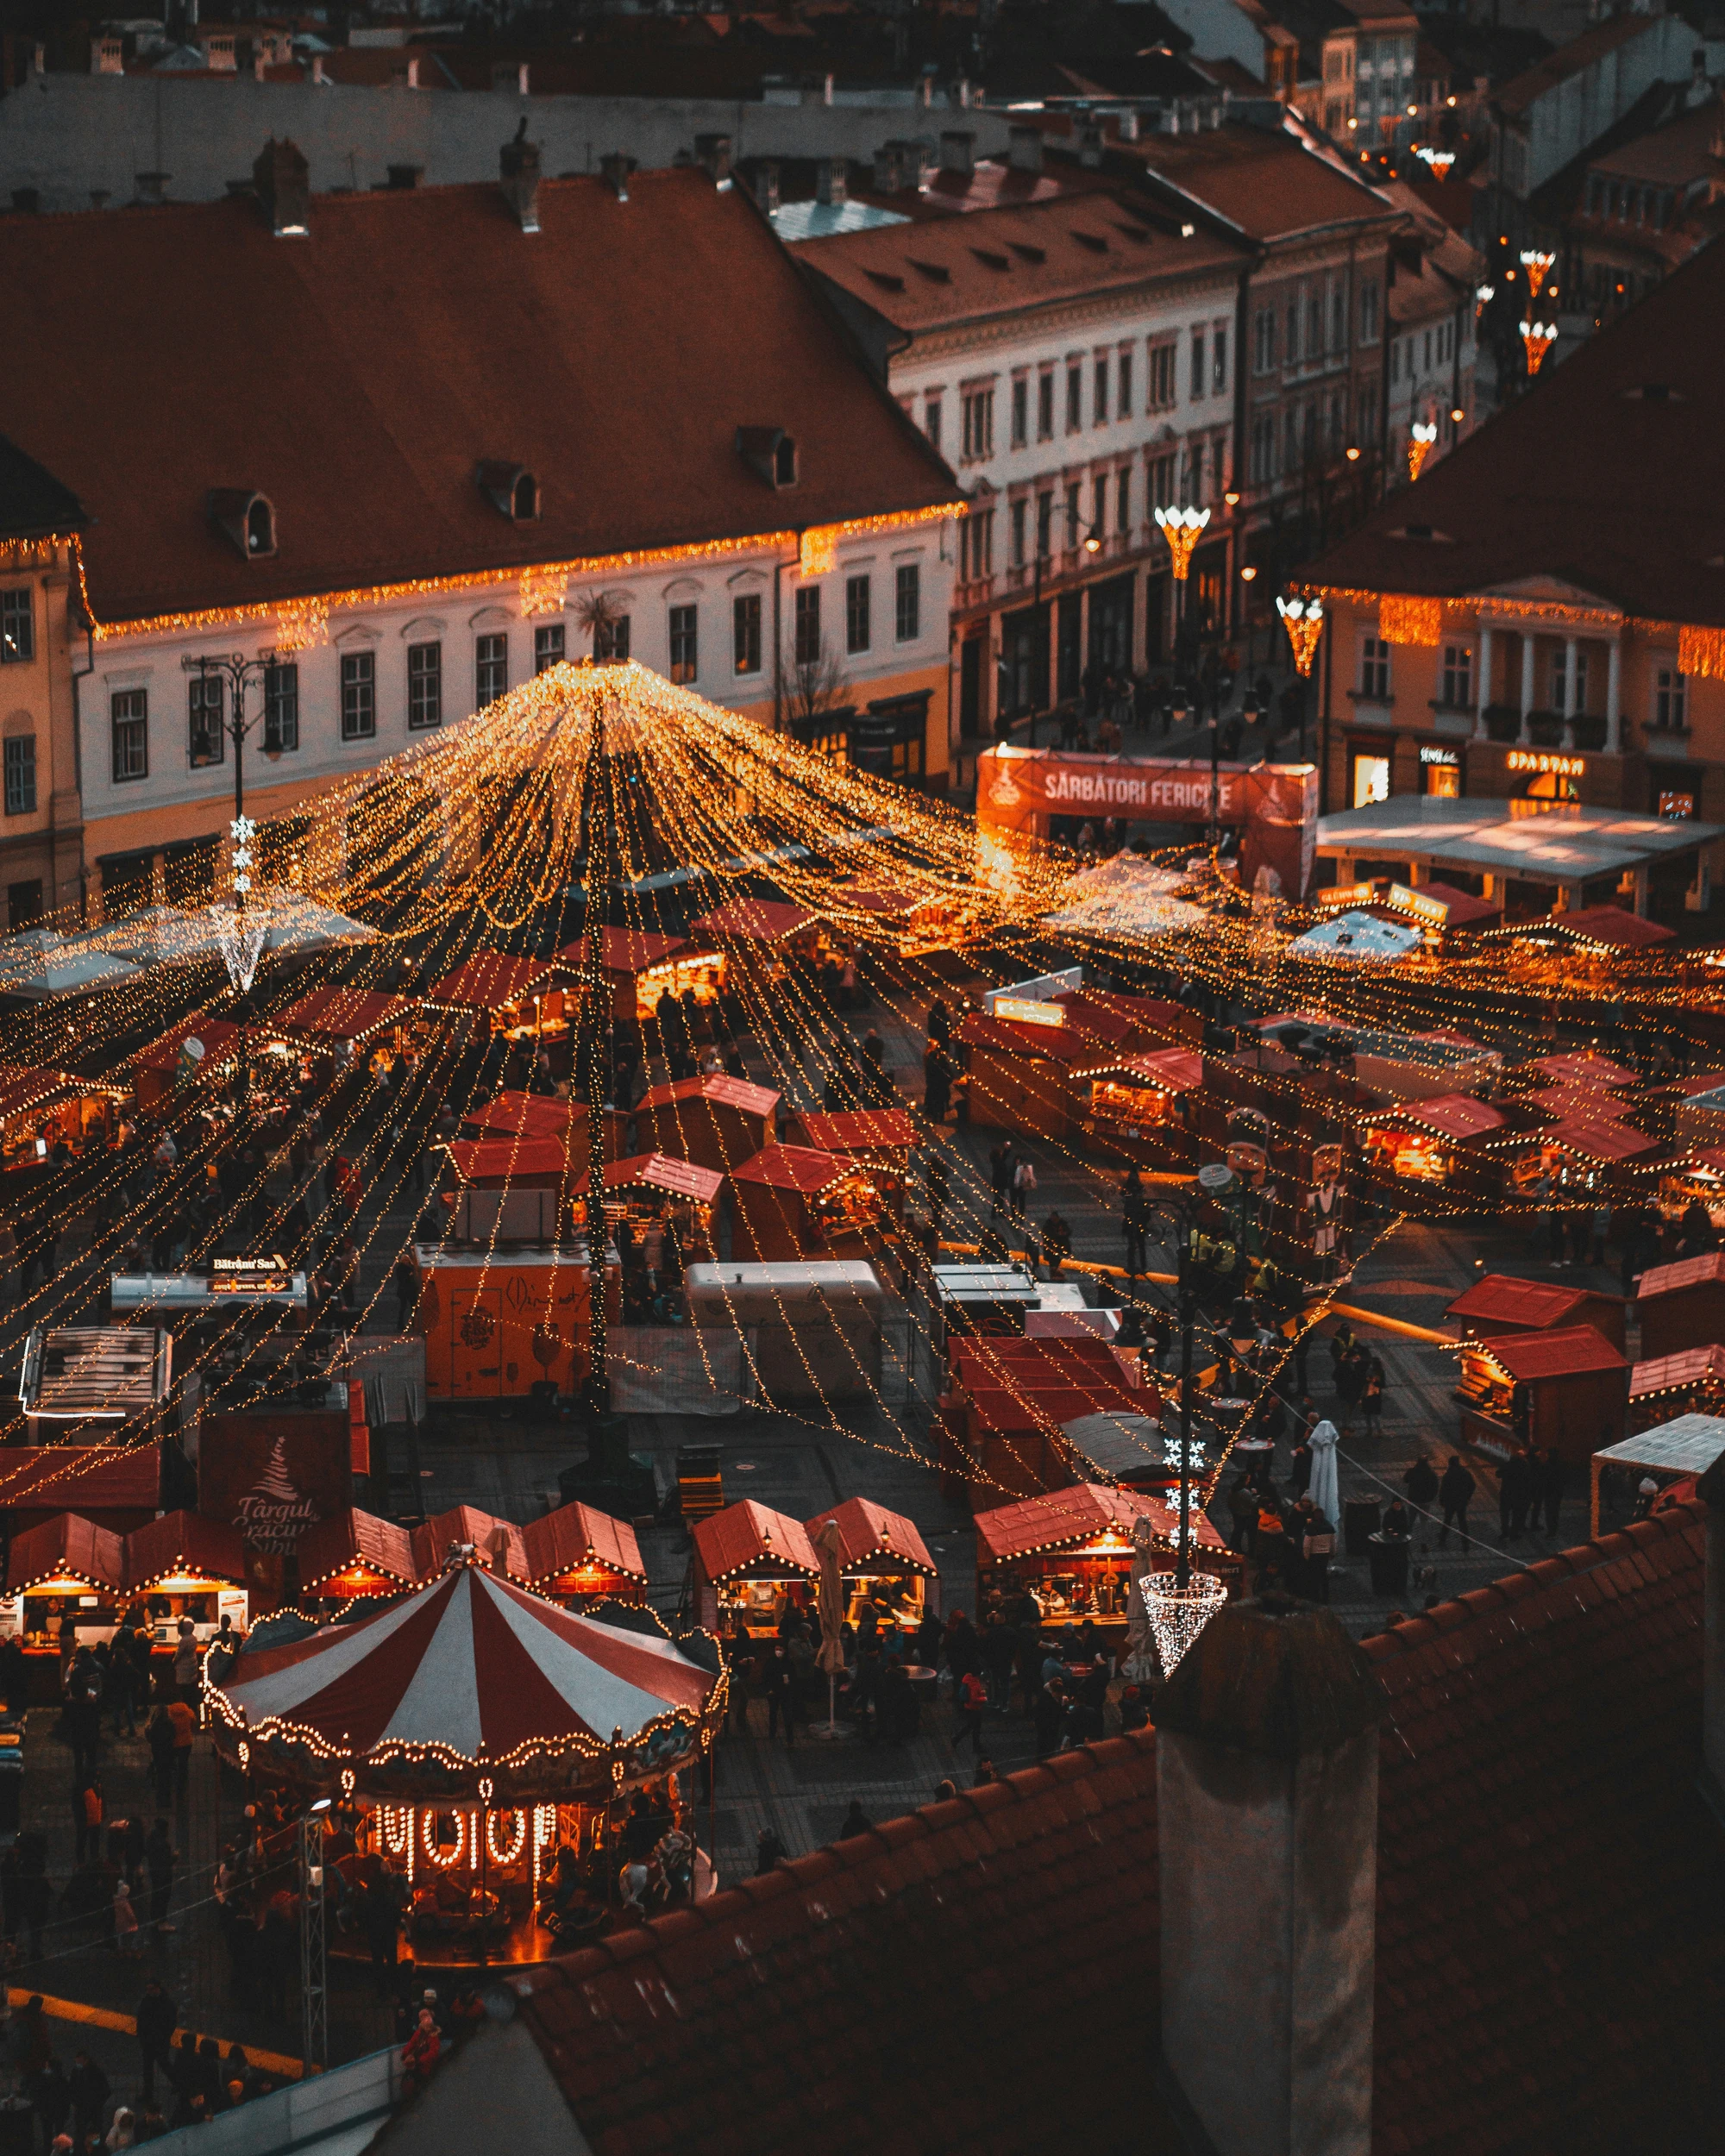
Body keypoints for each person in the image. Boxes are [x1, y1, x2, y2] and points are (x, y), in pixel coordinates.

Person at [135, 1982, 175, 2106]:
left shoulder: (148, 2002)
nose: (149, 1991)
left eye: (151, 1989)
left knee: (154, 2067)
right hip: (155, 2041)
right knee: (160, 2065)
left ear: (157, 1988)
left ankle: (148, 2094)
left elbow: (141, 2020)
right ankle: (178, 2085)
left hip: (153, 2041)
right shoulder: (166, 2002)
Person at [144, 1819, 177, 1934]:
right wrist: (175, 1857)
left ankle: (155, 1920)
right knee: (163, 1898)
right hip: (164, 1874)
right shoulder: (163, 1844)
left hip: (154, 1872)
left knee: (156, 1896)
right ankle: (162, 1922)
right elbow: (166, 1862)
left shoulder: (151, 1839)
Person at [1438, 1454, 1476, 1548]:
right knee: (1462, 1522)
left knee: (1447, 1521)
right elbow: (1472, 1485)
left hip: (1450, 1502)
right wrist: (1468, 1496)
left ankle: (1442, 1539)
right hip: (1461, 1501)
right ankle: (1465, 1542)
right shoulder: (1465, 1473)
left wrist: (1442, 1500)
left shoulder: (1448, 1474)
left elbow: (1443, 1489)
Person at [1122, 1169, 1150, 1281]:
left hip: (1136, 1226)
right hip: (1135, 1226)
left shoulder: (1134, 1199)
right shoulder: (1134, 1198)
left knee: (1136, 1246)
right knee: (1135, 1246)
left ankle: (1139, 1266)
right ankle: (1136, 1266)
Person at [1499, 1447, 1534, 1540]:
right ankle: (1514, 1534)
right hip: (1518, 1495)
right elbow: (1528, 1480)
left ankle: (1504, 1532)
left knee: (1505, 1514)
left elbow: (1498, 1474)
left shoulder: (1507, 1465)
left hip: (1506, 1493)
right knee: (1516, 1515)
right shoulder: (1524, 1466)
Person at [953, 1665, 988, 1757]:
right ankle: (975, 1746)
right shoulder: (974, 1684)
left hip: (968, 1707)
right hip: (974, 1708)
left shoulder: (968, 1679)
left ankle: (957, 1740)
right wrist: (984, 1698)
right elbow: (974, 1698)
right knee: (975, 1728)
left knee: (971, 1726)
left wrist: (981, 1693)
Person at [1042, 1210, 1072, 1282]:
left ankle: (1057, 1275)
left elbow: (1069, 1231)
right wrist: (1058, 1235)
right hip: (1051, 1248)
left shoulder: (1062, 1224)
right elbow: (1047, 1236)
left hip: (1061, 1247)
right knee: (1053, 1263)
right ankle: (1054, 1276)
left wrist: (1064, 1233)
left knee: (1058, 1262)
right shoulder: (1048, 1226)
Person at [1541, 1448, 1565, 1537]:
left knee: (1549, 1513)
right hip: (1558, 1492)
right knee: (1555, 1512)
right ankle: (1553, 1530)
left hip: (1549, 1492)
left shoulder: (1547, 1465)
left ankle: (1551, 1532)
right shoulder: (1561, 1464)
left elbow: (1544, 1479)